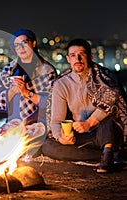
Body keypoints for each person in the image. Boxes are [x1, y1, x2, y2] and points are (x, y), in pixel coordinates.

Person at [42, 38, 127, 173]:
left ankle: (109, 151)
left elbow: (114, 102)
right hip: (81, 136)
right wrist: (61, 137)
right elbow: (56, 120)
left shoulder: (104, 78)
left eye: (82, 54)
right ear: (68, 59)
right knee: (48, 146)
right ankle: (107, 156)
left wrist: (89, 123)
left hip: (104, 133)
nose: (78, 59)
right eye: (73, 55)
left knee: (110, 120)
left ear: (90, 57)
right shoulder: (61, 84)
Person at [0, 28, 57, 158]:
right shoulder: (8, 70)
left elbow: (52, 104)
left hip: (38, 125)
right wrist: (12, 91)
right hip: (13, 123)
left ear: (33, 43)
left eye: (24, 43)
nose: (21, 48)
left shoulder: (47, 71)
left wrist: (26, 92)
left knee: (24, 149)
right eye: (16, 45)